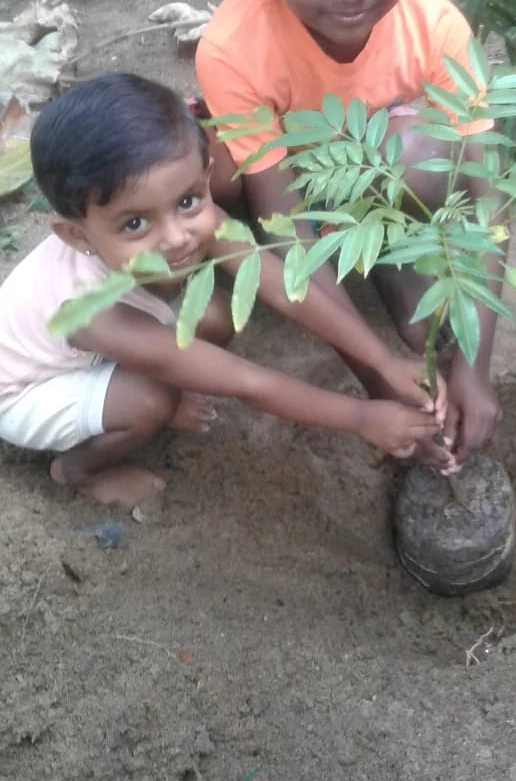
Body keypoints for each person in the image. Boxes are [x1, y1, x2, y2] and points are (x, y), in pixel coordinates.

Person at [195, 0, 502, 467]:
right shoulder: (233, 47)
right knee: (212, 173)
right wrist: (377, 381)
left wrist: (476, 366)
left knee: (429, 151)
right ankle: (346, 262)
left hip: (370, 173)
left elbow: (486, 197)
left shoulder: (436, 27)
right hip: (286, 188)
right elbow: (286, 230)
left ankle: (386, 258)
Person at [0, 73, 450, 509]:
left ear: (205, 175)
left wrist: (382, 360)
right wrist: (361, 418)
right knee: (150, 401)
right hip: (30, 389)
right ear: (76, 235)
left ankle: (156, 386)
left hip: (111, 343)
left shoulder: (189, 219)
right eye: (135, 223)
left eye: (187, 201)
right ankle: (78, 471)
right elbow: (245, 381)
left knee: (213, 314)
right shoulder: (87, 310)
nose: (176, 236)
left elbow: (283, 287)